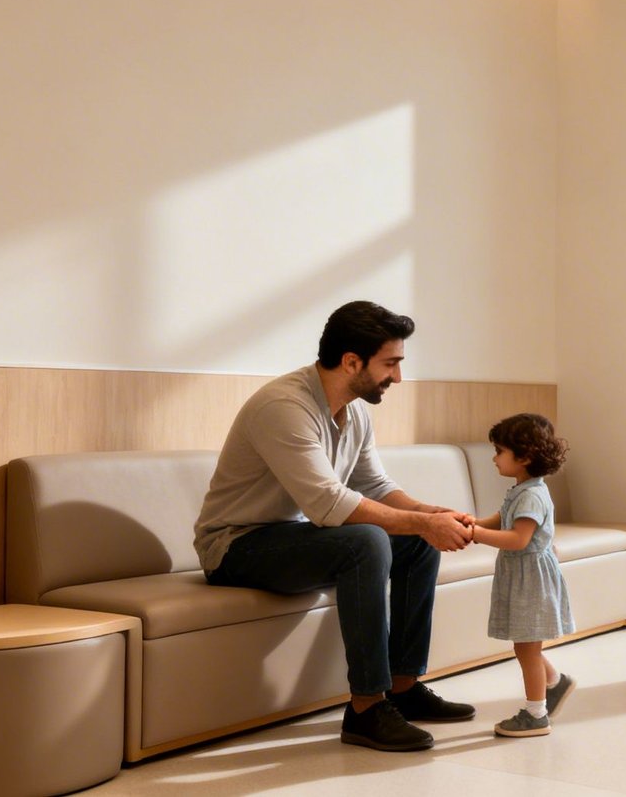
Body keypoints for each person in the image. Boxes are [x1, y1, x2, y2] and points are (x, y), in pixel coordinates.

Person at [194, 301, 477, 752]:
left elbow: (373, 484)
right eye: (391, 364)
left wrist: (431, 516)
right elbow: (328, 503)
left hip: (297, 539)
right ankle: (365, 709)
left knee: (416, 542)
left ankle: (402, 690)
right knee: (365, 541)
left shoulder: (355, 409)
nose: (397, 378)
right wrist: (424, 521)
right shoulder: (284, 406)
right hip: (238, 547)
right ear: (351, 361)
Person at [468, 412, 577, 738]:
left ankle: (536, 715)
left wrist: (475, 535)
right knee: (526, 647)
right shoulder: (523, 488)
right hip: (523, 577)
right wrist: (471, 522)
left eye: (500, 451)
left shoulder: (531, 495)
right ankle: (555, 684)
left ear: (525, 457)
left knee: (527, 650)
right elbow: (502, 518)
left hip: (531, 580)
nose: (494, 458)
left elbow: (518, 538)